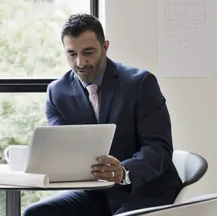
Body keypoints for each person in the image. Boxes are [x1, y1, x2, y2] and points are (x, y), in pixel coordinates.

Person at [23, 13, 183, 216]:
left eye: (88, 52)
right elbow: (63, 147)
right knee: (36, 213)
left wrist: (124, 171)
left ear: (105, 47)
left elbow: (159, 148)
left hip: (144, 190)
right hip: (95, 193)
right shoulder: (57, 92)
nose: (80, 62)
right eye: (71, 54)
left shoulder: (141, 83)